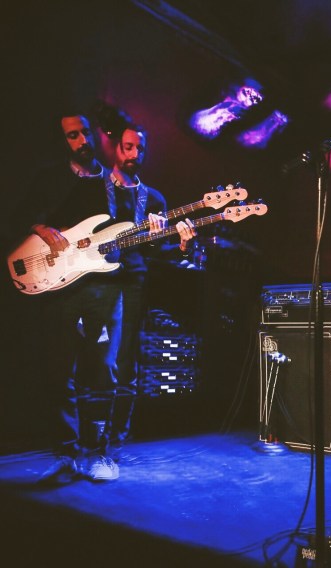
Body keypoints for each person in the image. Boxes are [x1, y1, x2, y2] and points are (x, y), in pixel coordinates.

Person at [16, 115, 195, 483]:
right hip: (83, 283)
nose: (133, 154)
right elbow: (63, 226)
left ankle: (105, 451)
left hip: (126, 287)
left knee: (115, 369)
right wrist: (43, 230)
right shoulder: (91, 185)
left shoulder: (152, 198)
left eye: (140, 148)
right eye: (127, 146)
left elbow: (154, 251)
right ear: (115, 148)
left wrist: (180, 243)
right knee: (67, 367)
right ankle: (70, 451)